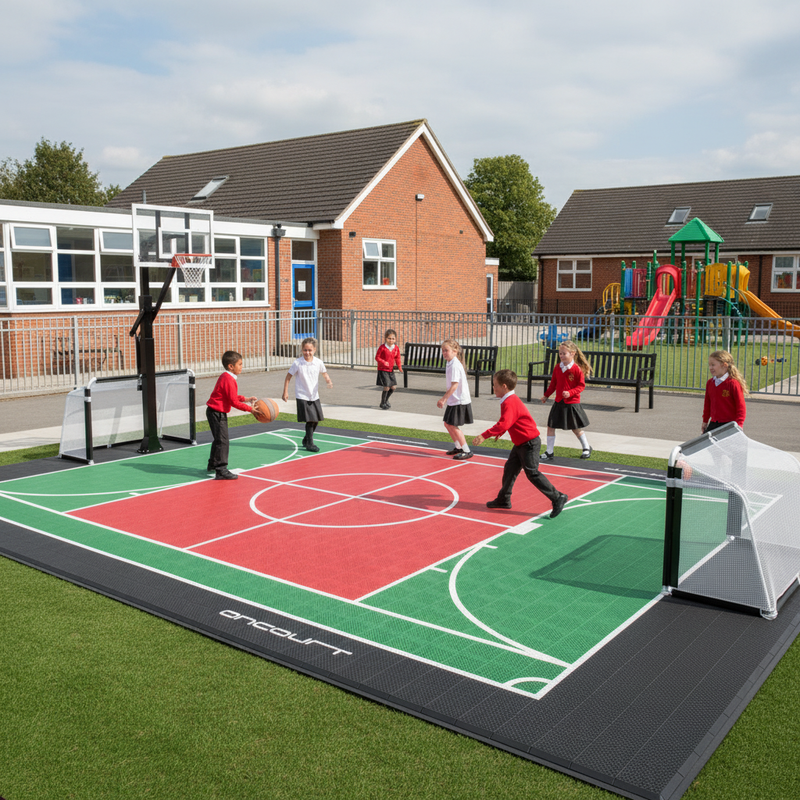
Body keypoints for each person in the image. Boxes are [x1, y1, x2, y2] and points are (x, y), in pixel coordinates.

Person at [474, 370, 568, 519]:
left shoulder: (509, 401)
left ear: (504, 386)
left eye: (495, 385)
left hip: (529, 443)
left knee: (533, 473)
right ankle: (504, 499)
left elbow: (504, 423)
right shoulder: (508, 399)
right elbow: (510, 422)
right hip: (521, 443)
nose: (493, 388)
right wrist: (500, 432)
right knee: (510, 470)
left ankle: (558, 497)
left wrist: (484, 435)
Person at [206, 350, 257, 480]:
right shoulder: (228, 379)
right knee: (223, 441)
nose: (242, 366)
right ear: (231, 366)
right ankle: (221, 469)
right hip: (217, 413)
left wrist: (245, 398)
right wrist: (250, 409)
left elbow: (231, 396)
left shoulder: (226, 377)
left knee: (219, 439)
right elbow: (233, 401)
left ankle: (212, 464)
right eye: (240, 364)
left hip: (215, 411)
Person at [540, 340, 593, 461]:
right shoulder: (558, 367)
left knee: (575, 428)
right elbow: (553, 384)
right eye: (560, 354)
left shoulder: (576, 369)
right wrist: (546, 395)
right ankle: (549, 452)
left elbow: (581, 386)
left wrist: (570, 393)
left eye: (564, 353)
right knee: (550, 426)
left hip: (571, 404)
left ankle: (586, 447)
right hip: (559, 402)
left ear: (572, 353)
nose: (562, 356)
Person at [282, 337, 333, 452]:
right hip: (302, 395)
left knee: (316, 420)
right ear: (302, 350)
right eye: (305, 350)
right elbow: (288, 377)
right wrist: (285, 391)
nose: (307, 352)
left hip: (314, 395)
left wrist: (328, 381)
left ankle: (306, 439)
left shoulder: (318, 362)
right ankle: (310, 443)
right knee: (310, 420)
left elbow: (324, 373)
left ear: (314, 350)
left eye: (310, 350)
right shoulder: (298, 363)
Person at [437, 339, 473, 460]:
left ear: (455, 351)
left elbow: (454, 385)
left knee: (453, 426)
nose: (444, 353)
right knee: (447, 424)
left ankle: (467, 450)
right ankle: (458, 447)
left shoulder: (455, 365)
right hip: (454, 400)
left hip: (459, 400)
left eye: (446, 350)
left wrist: (443, 399)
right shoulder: (450, 363)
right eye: (443, 351)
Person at [702, 350, 748, 432]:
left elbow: (741, 407)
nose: (710, 368)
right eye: (709, 365)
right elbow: (707, 404)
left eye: (713, 365)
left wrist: (739, 424)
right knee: (704, 443)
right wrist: (705, 421)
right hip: (714, 423)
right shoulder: (710, 383)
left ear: (724, 366)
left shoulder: (733, 384)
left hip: (729, 424)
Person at [375, 328, 402, 409]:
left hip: (390, 370)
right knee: (386, 386)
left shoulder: (396, 348)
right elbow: (377, 357)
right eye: (389, 338)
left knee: (393, 387)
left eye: (393, 338)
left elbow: (398, 358)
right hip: (383, 370)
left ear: (395, 339)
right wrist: (383, 362)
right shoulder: (382, 347)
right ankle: (383, 403)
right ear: (386, 338)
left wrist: (399, 367)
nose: (391, 340)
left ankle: (385, 400)